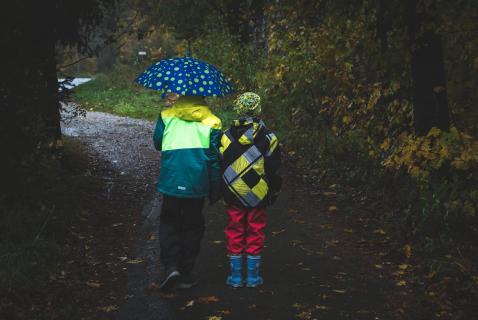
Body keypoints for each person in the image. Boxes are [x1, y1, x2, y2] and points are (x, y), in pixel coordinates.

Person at [153, 93, 222, 292]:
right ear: (203, 96)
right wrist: (215, 188)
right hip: (196, 184)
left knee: (169, 222)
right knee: (193, 226)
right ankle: (185, 272)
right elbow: (214, 158)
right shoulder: (213, 122)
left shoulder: (166, 116)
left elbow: (158, 143)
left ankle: (171, 267)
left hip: (171, 180)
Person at [219, 92, 282, 288]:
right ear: (259, 111)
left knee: (235, 229)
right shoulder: (269, 138)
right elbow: (274, 169)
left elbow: (221, 165)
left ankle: (236, 277)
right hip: (258, 193)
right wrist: (273, 191)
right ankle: (253, 277)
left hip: (233, 193)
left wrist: (223, 190)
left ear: (238, 110)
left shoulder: (226, 137)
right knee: (256, 230)